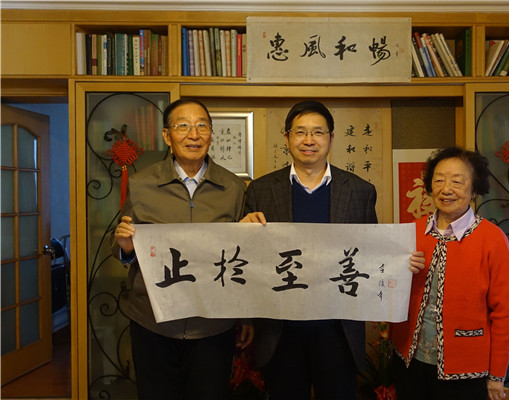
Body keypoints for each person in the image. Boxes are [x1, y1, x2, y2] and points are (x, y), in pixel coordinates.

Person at [241, 100, 425, 400]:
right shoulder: (261, 190)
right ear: (287, 137)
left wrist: (401, 260)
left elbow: (371, 252)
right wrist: (242, 232)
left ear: (331, 138)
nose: (309, 140)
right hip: (281, 329)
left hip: (337, 330)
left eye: (318, 132)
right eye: (300, 132)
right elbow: (249, 261)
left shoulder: (359, 190)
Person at [112, 98, 253, 400]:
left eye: (202, 126)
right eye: (183, 126)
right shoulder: (141, 184)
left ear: (211, 134)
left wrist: (246, 316)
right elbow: (124, 247)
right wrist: (125, 248)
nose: (194, 134)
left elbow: (242, 258)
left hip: (213, 324)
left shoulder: (233, 188)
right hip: (153, 320)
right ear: (167, 136)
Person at [390, 147, 509, 400]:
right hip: (410, 362)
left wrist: (497, 375)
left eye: (457, 182)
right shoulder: (411, 231)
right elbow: (389, 290)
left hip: (467, 370)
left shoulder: (492, 239)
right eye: (439, 180)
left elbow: (505, 313)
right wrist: (398, 271)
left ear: (474, 189)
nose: (446, 189)